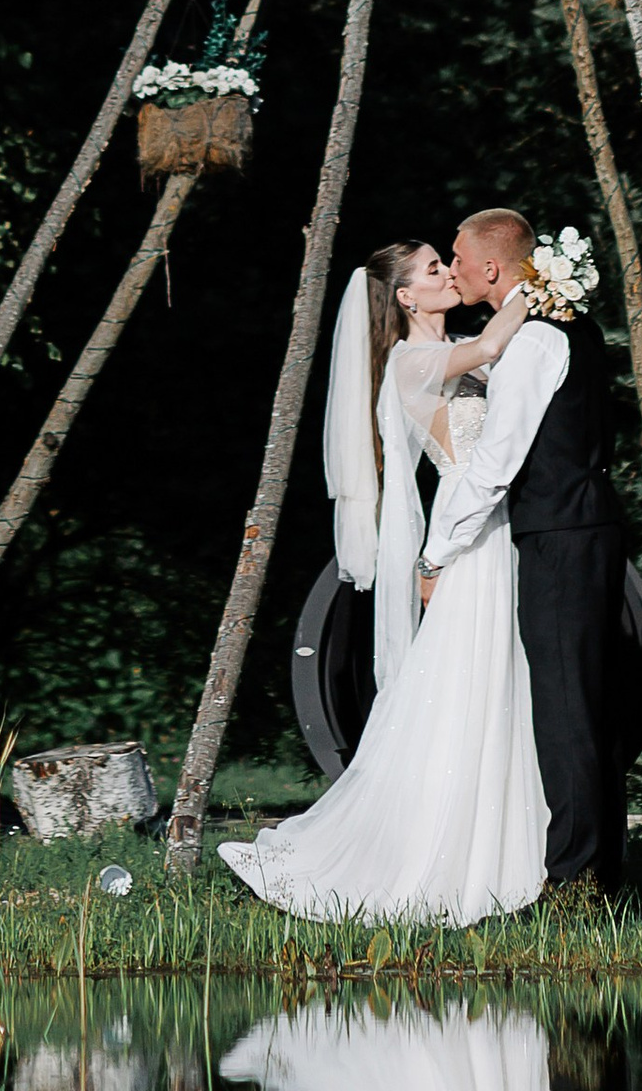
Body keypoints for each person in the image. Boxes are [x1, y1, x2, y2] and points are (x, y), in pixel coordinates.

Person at [218, 239, 545, 922]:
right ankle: (433, 854)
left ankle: (501, 844)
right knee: (465, 687)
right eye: (433, 269)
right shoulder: (410, 361)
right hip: (472, 535)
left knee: (486, 685)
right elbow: (489, 351)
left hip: (496, 525)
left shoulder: (448, 345)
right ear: (404, 297)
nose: (448, 274)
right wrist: (539, 284)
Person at [422, 207, 626, 895]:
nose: (451, 266)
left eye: (456, 255)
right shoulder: (574, 326)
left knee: (566, 709)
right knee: (588, 705)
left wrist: (436, 553)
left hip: (560, 538)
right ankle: (599, 873)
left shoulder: (536, 341)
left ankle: (575, 885)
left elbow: (497, 463)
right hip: (588, 528)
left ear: (489, 266)